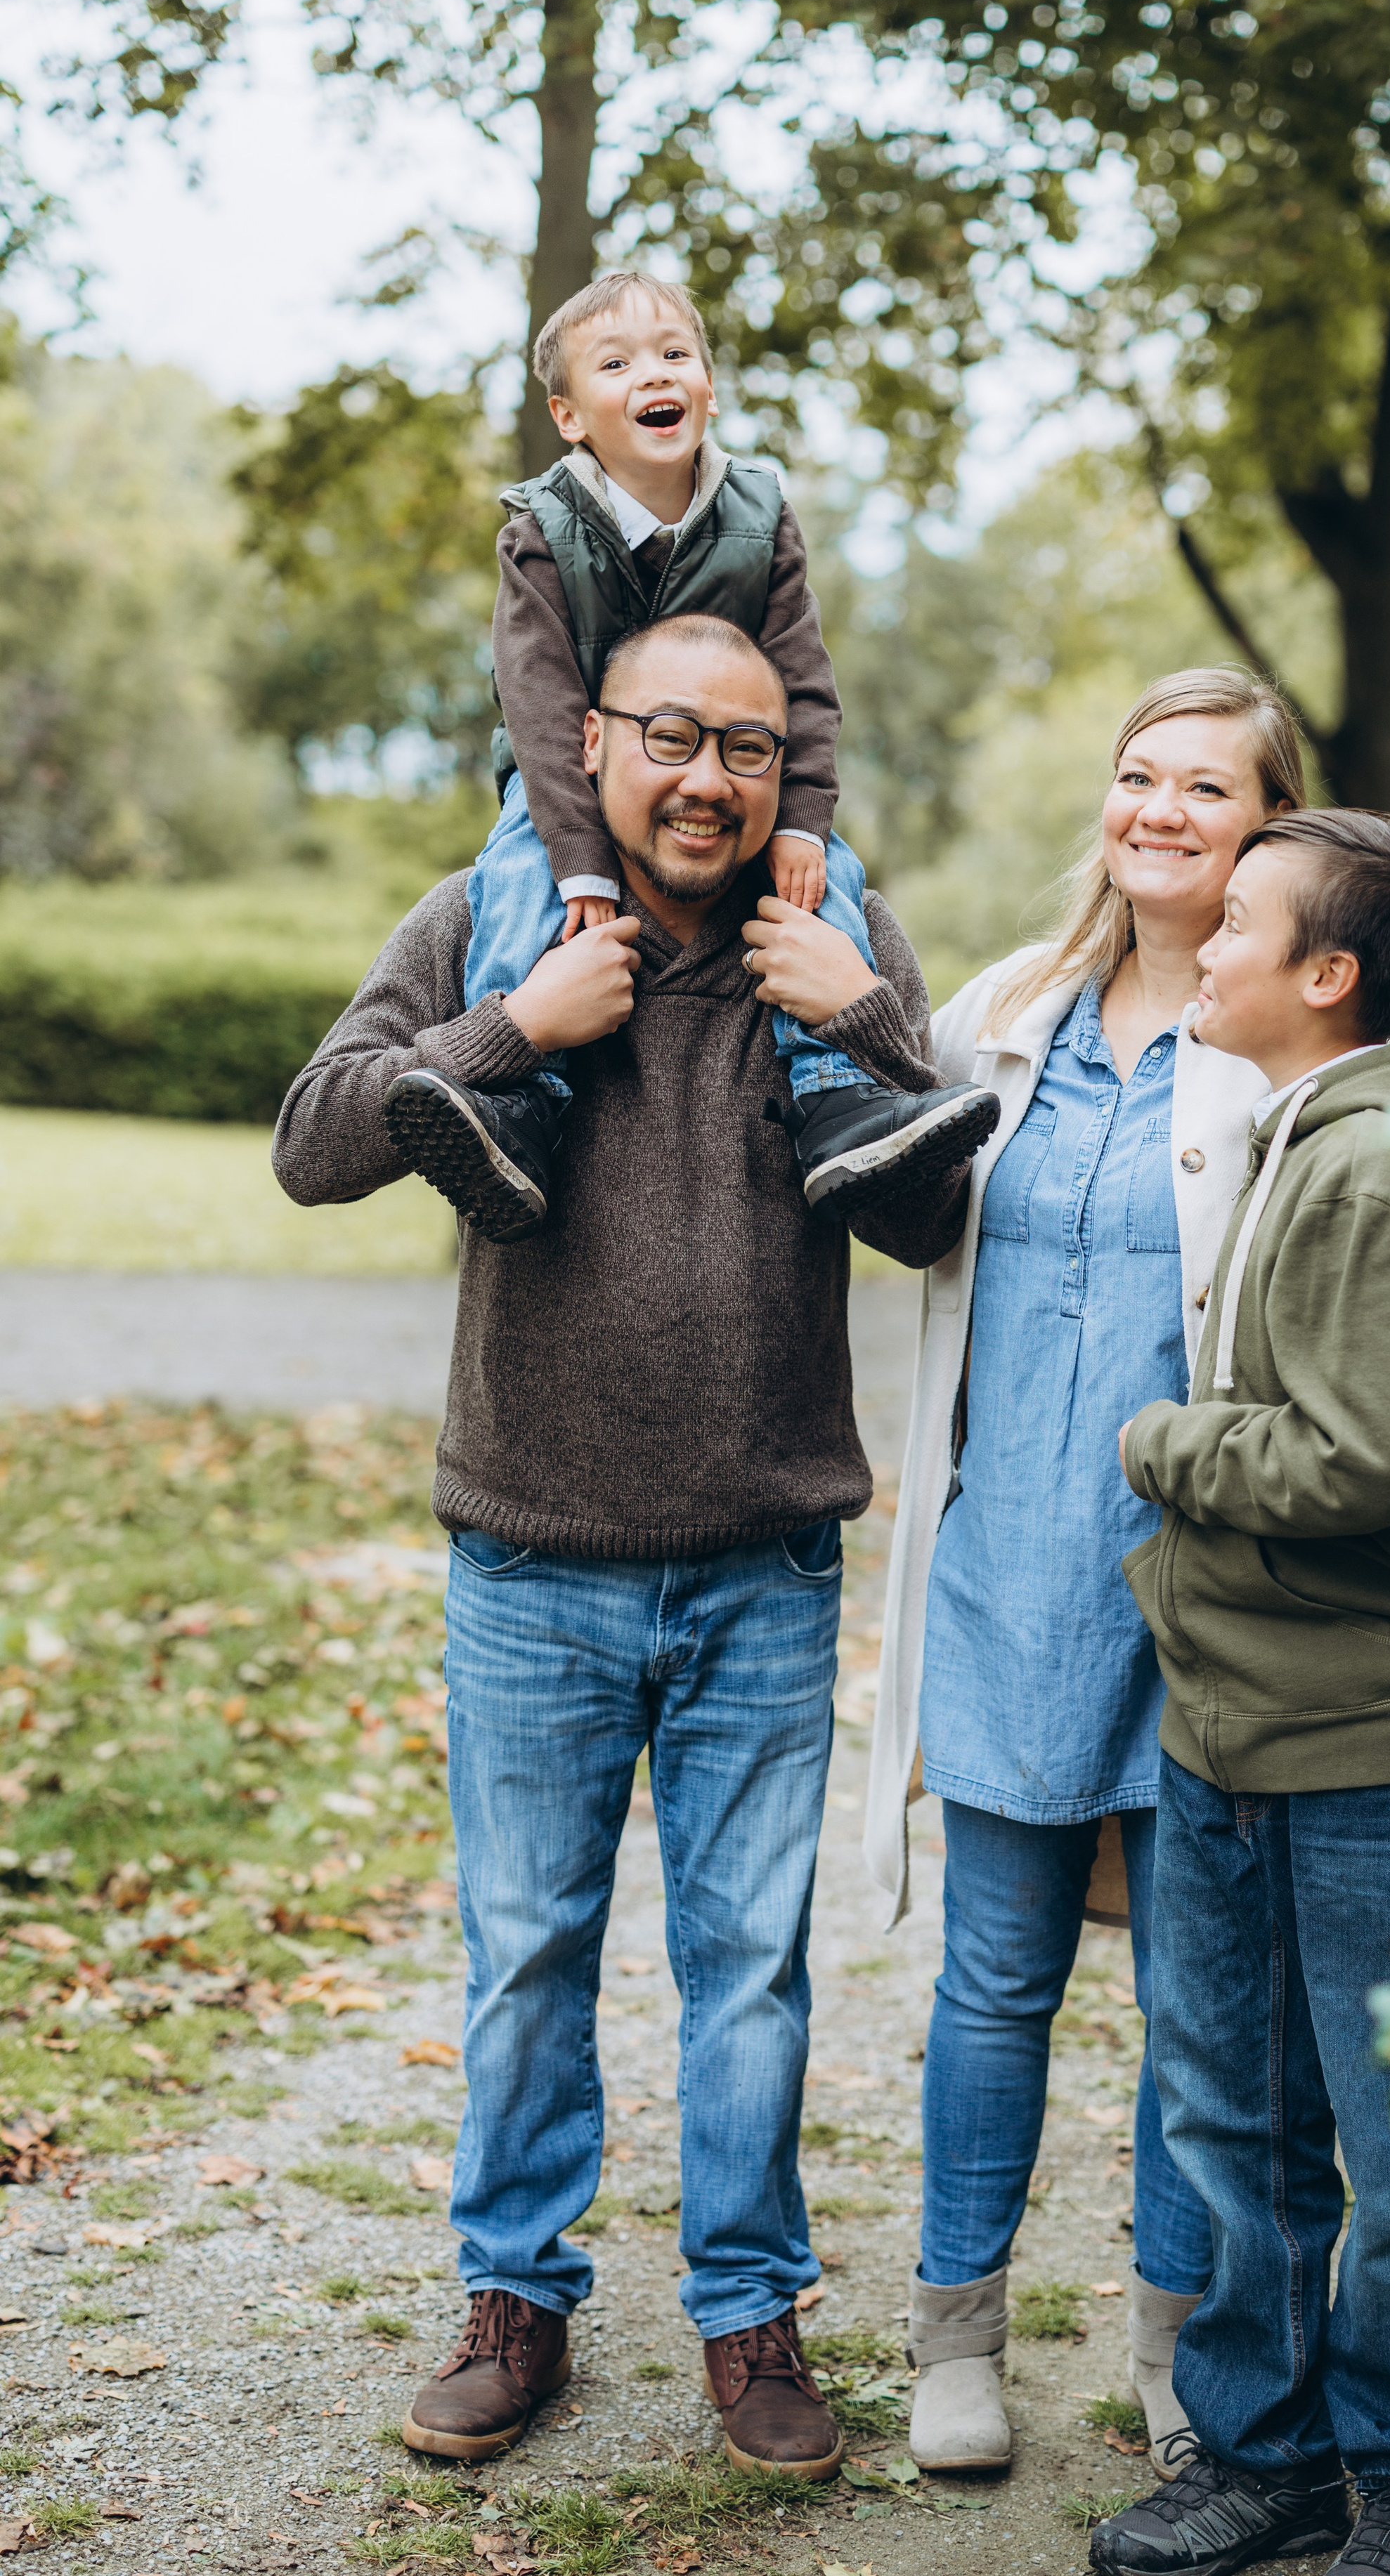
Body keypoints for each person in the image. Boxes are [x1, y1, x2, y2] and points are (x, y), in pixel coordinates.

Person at [865, 672, 1390, 2479]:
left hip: (1225, 1594)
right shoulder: (1001, 1016)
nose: (1159, 812)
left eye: (1207, 788)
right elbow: (884, 1189)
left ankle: (1190, 2342)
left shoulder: (1289, 1038)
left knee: (1212, 2017)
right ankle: (956, 2333)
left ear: (1271, 833)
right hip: (1013, 1564)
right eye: (1134, 777)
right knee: (992, 1974)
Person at [272, 613, 968, 2476]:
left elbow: (938, 1208)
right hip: (533, 1557)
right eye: (673, 737)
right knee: (527, 1957)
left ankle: (752, 2318)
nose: (710, 779)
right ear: (593, 741)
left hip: (765, 1558)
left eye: (750, 748)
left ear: (782, 770)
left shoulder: (826, 933)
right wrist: (513, 1033)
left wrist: (868, 1017)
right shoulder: (491, 921)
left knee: (749, 1966)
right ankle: (519, 2304)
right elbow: (313, 1139)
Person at [1089, 809, 1390, 2576]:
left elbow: (1354, 1464)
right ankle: (1263, 2452)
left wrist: (1158, 1443)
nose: (1202, 940)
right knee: (1235, 2105)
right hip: (1233, 1709)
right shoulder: (1314, 1124)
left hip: (1377, 1730)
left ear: (1325, 976)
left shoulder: (1365, 1162)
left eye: (1239, 925)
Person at [382, 270, 995, 1242]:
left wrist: (799, 821)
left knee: (822, 879)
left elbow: (803, 683)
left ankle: (836, 1097)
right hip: (562, 790)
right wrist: (578, 861)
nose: (653, 374)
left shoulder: (760, 512)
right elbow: (540, 710)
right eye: (616, 363)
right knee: (521, 875)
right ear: (570, 415)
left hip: (766, 812)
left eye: (675, 354)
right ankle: (520, 1100)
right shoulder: (541, 529)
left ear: (708, 385)